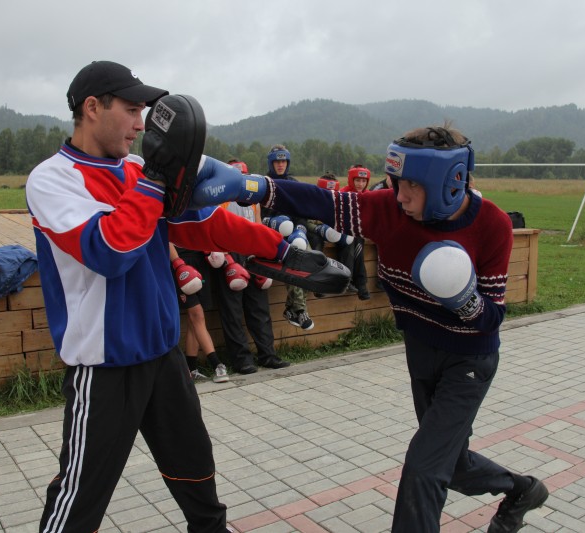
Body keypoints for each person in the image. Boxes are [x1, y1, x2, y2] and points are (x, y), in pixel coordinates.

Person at [191, 123, 549, 532]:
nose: (401, 195)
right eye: (397, 182)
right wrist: (251, 187)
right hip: (420, 351)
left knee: (423, 468)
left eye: (412, 185)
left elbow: (492, 318)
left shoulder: (492, 226)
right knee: (453, 462)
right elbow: (323, 201)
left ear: (449, 182)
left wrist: (463, 298)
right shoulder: (389, 210)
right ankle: (522, 490)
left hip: (470, 360)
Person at [26, 60, 331, 532]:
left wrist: (283, 250)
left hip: (163, 354)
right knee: (79, 497)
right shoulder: (53, 179)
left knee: (196, 468)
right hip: (105, 364)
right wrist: (153, 181)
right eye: (130, 110)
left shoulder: (134, 170)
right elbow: (108, 250)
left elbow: (203, 223)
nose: (140, 125)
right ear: (92, 108)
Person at [206, 161, 290, 373]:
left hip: (251, 252)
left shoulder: (253, 201)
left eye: (242, 177)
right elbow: (210, 230)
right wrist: (228, 260)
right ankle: (241, 359)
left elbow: (259, 225)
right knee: (232, 310)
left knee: (259, 306)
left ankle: (267, 354)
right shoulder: (218, 199)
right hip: (228, 253)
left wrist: (264, 255)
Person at [261, 145, 314, 331]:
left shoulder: (294, 183)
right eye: (277, 161)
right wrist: (271, 222)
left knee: (310, 260)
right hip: (274, 236)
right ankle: (299, 309)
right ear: (271, 162)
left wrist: (301, 228)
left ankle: (291, 309)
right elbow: (259, 215)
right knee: (293, 261)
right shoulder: (264, 183)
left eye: (283, 161)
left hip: (295, 234)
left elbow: (302, 212)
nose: (281, 165)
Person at [169, 242, 229, 383]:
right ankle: (217, 365)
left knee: (193, 321)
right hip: (181, 263)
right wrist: (178, 264)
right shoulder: (168, 219)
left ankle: (191, 369)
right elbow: (166, 238)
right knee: (197, 314)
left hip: (200, 261)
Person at [338, 164, 371, 300]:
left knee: (358, 240)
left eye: (364, 181)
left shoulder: (369, 196)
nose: (360, 184)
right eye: (358, 180)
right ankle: (358, 283)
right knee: (354, 240)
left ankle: (356, 282)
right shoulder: (342, 193)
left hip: (360, 232)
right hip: (342, 231)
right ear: (351, 180)